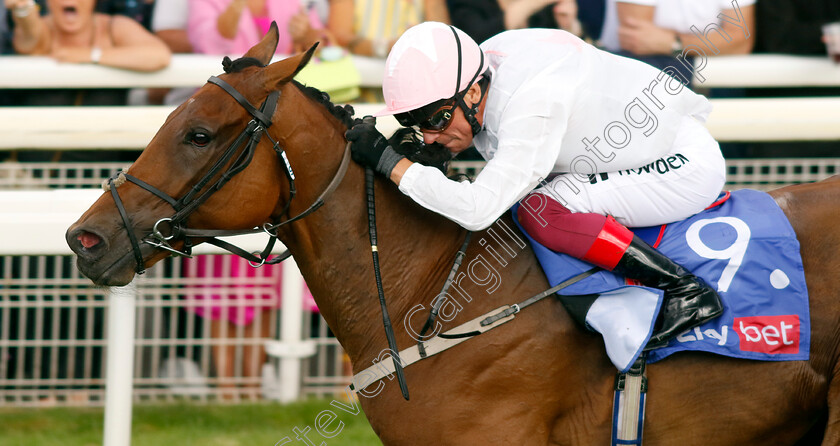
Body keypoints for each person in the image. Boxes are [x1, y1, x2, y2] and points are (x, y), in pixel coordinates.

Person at [345, 22, 726, 348]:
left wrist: (393, 165)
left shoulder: (532, 100)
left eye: (438, 119)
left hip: (680, 166)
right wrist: (424, 153)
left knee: (537, 211)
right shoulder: (481, 68)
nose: (429, 136)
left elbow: (478, 210)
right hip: (625, 151)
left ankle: (686, 290)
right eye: (417, 122)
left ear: (474, 92)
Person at [599, 0, 754, 81]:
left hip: (708, 83)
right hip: (644, 77)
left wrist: (674, 43)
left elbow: (740, 41)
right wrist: (707, 42)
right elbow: (637, 40)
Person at [7, 0, 171, 70]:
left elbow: (159, 55)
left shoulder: (114, 27)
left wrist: (89, 55)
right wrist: (23, 8)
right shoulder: (43, 29)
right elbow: (28, 31)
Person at [187, 0, 331, 56]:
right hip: (228, 97)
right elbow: (208, 45)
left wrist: (305, 36)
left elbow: (320, 43)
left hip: (284, 98)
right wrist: (237, 5)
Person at [326, 0, 449, 58]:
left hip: (416, 84)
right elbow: (339, 37)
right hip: (365, 89)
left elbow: (442, 34)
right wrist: (387, 47)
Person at [446, 0, 591, 45]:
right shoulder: (467, 3)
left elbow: (577, 46)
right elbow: (477, 38)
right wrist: (529, 4)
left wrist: (570, 25)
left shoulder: (544, 8)